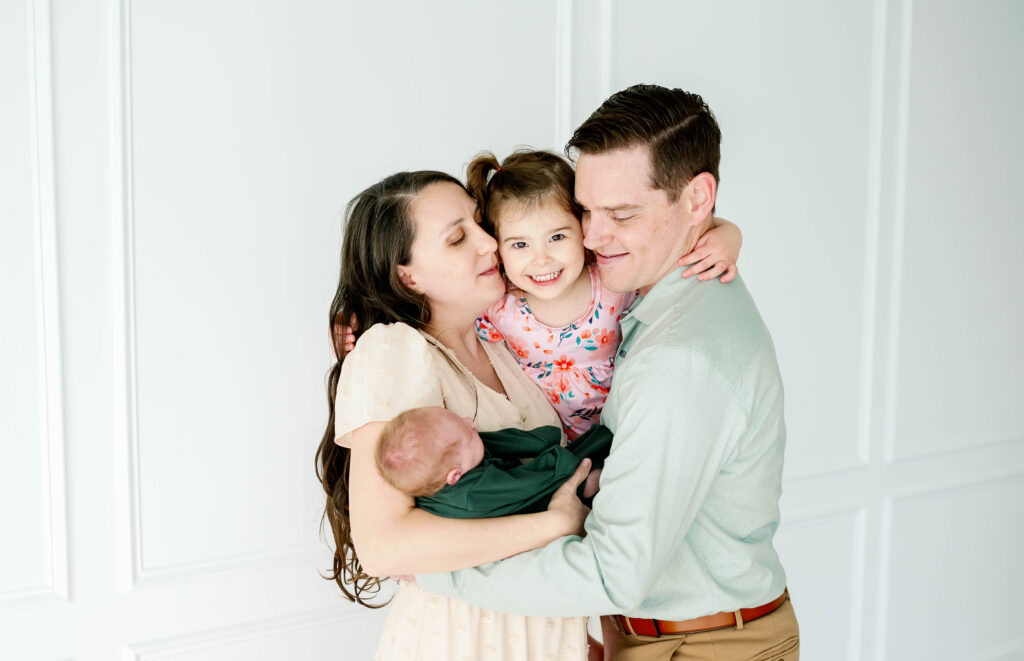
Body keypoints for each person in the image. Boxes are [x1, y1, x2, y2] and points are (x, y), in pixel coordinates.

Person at [415, 84, 800, 660]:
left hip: (705, 646)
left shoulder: (681, 359)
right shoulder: (662, 284)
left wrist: (437, 572)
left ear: (698, 200)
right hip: (652, 635)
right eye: (586, 212)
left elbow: (616, 572)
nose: (592, 239)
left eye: (621, 214)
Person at [315, 170, 595, 660]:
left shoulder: (507, 346)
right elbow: (384, 545)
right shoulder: (396, 349)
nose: (490, 243)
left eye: (481, 223)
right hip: (463, 641)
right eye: (458, 238)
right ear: (408, 275)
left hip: (548, 633)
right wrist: (553, 526)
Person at [374, 406, 613, 515]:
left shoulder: (453, 462)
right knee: (582, 472)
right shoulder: (473, 493)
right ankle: (593, 484)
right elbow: (525, 484)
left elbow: (493, 443)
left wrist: (539, 440)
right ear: (455, 475)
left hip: (513, 487)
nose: (471, 422)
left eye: (461, 420)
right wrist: (558, 460)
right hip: (525, 504)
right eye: (469, 433)